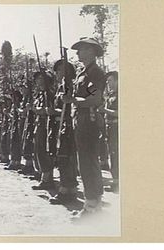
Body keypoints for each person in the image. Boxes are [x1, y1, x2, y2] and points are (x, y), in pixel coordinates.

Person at [62, 37, 106, 215]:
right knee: (85, 161)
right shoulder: (83, 73)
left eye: (82, 49)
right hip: (80, 119)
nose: (78, 52)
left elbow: (94, 99)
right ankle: (94, 202)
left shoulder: (95, 73)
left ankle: (91, 205)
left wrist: (73, 100)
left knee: (88, 162)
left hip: (89, 119)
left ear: (92, 51)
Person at [48, 59, 79, 204]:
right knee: (62, 157)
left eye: (62, 70)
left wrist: (57, 110)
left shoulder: (72, 86)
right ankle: (68, 187)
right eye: (58, 70)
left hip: (68, 125)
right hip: (59, 125)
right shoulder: (60, 87)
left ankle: (67, 189)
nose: (59, 73)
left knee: (66, 157)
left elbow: (73, 105)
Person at [31, 70, 55, 190]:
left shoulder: (50, 93)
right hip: (39, 123)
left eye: (41, 78)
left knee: (44, 151)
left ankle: (47, 179)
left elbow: (50, 109)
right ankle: (43, 175)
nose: (38, 80)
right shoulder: (40, 94)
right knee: (39, 150)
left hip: (47, 124)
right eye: (37, 78)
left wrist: (40, 110)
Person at [98, 71, 119, 193]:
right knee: (112, 154)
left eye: (110, 81)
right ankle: (115, 180)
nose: (108, 83)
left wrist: (104, 110)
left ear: (117, 81)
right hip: (109, 128)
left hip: (116, 127)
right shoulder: (110, 95)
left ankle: (117, 182)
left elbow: (119, 113)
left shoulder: (121, 95)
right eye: (107, 81)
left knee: (116, 154)